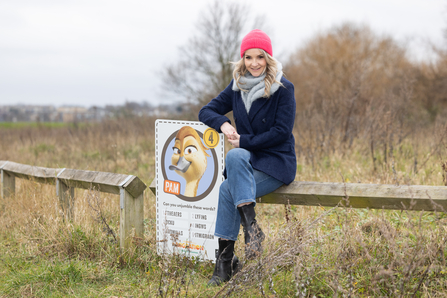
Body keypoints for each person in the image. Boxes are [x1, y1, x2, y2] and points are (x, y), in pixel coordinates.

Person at [198, 29, 297, 286]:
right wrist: (223, 124)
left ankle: (224, 264)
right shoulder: (236, 87)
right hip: (247, 162)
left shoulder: (283, 88)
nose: (254, 63)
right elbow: (206, 110)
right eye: (249, 57)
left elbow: (281, 132)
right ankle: (250, 230)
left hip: (275, 162)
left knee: (226, 187)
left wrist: (244, 140)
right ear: (242, 59)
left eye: (260, 57)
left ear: (268, 59)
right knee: (237, 157)